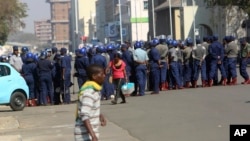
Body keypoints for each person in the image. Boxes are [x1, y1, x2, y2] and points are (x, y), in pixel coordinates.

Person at [74, 64, 106, 141]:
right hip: (85, 136)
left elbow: (89, 107)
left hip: (90, 134)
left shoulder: (95, 90)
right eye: (102, 74)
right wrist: (93, 136)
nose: (104, 76)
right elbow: (84, 114)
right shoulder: (89, 92)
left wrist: (99, 115)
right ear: (94, 76)